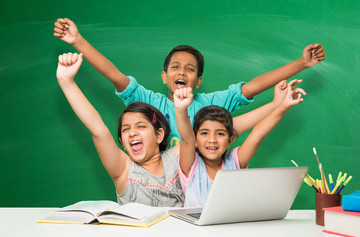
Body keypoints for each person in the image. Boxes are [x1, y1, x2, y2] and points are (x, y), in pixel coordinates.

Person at [53, 18, 325, 148]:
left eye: (190, 69)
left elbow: (253, 86)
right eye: (175, 67)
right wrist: (78, 41)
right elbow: (114, 74)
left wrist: (301, 64)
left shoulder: (212, 105)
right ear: (164, 76)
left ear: (198, 80)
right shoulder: (149, 104)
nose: (181, 72)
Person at [56, 52, 184, 207]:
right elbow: (98, 129)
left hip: (179, 231)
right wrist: (66, 82)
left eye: (141, 126)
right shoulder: (124, 169)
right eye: (125, 129)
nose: (132, 133)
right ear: (122, 143)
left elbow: (206, 137)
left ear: (159, 135)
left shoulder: (178, 157)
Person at [174, 80, 306, 207]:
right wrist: (181, 109)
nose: (212, 139)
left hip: (231, 228)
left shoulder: (234, 161)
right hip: (195, 229)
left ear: (230, 140)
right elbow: (187, 139)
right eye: (204, 133)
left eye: (220, 134)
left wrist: (283, 106)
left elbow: (257, 134)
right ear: (195, 141)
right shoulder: (191, 165)